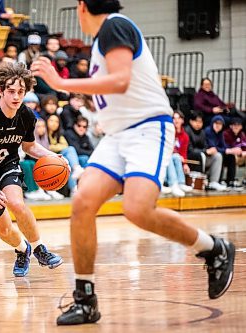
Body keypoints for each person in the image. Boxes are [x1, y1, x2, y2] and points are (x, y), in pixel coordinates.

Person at [31, 0, 235, 326]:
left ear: (82, 6)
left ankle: (214, 248)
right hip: (117, 135)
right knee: (83, 201)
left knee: (137, 209)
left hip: (148, 128)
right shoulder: (101, 43)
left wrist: (61, 84)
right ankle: (85, 298)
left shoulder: (114, 26)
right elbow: (119, 91)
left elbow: (121, 80)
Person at [0, 62, 63, 277]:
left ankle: (39, 248)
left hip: (7, 165)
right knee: (4, 228)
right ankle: (22, 249)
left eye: (21, 91)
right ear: (0, 91)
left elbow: (29, 147)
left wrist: (53, 157)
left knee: (17, 203)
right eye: (11, 91)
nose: (16, 97)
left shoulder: (26, 115)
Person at [185, 112, 227, 191]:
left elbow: (205, 146)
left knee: (217, 155)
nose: (198, 124)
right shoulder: (187, 131)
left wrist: (208, 151)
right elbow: (189, 150)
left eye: (200, 122)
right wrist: (205, 151)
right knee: (202, 155)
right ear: (191, 121)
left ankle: (214, 182)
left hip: (202, 157)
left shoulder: (202, 132)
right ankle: (200, 181)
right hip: (191, 158)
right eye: (196, 121)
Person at [205, 115, 241, 188]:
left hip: (216, 153)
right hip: (208, 155)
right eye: (216, 123)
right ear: (212, 123)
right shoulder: (208, 131)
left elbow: (223, 146)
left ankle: (230, 181)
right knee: (220, 155)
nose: (218, 125)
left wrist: (232, 150)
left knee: (231, 156)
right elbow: (213, 147)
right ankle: (216, 181)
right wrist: (227, 150)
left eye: (220, 124)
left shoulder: (220, 133)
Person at [223, 118, 246, 189]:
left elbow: (244, 147)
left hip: (240, 156)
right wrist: (233, 150)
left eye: (238, 125)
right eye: (234, 125)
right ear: (230, 126)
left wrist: (243, 152)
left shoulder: (242, 135)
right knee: (232, 157)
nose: (236, 127)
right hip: (228, 157)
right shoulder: (225, 134)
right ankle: (230, 181)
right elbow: (225, 149)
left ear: (241, 127)